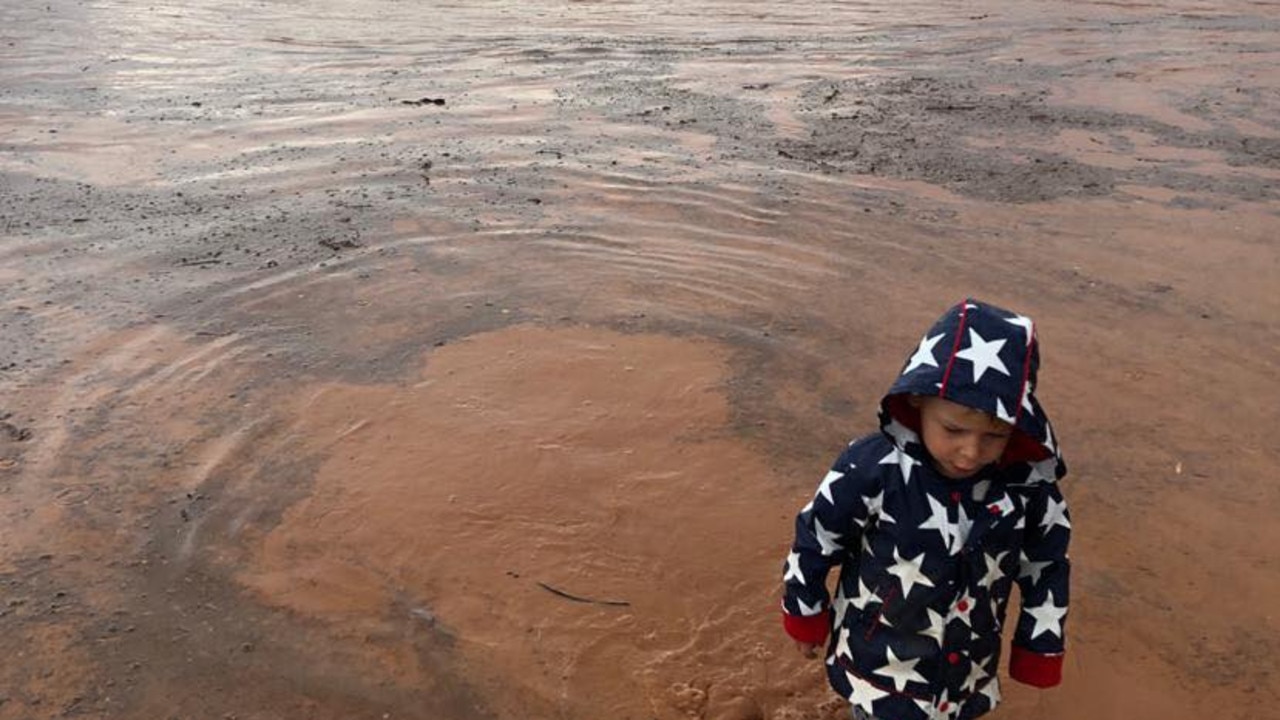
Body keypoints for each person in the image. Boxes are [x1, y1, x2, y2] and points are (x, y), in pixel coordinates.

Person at [780, 299, 1071, 720]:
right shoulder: (872, 468)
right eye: (953, 429)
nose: (971, 452)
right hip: (877, 665)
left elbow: (1047, 567)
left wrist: (1038, 646)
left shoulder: (1028, 491)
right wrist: (805, 612)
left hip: (966, 671)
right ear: (918, 400)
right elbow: (817, 536)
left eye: (995, 435)